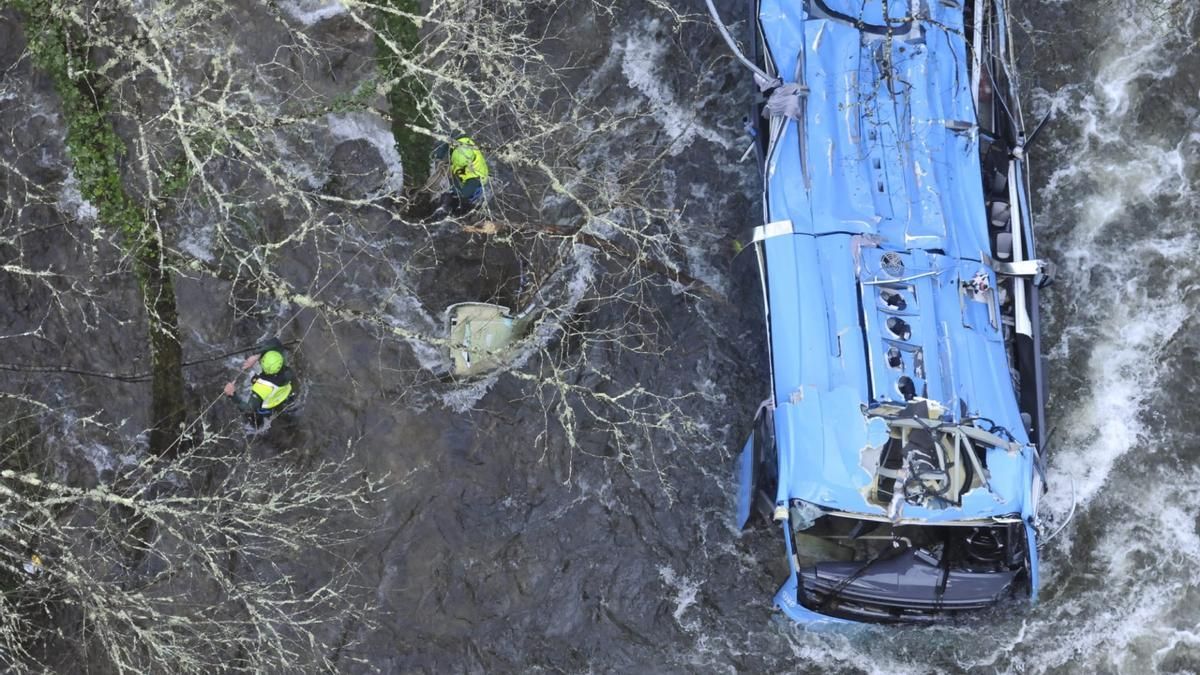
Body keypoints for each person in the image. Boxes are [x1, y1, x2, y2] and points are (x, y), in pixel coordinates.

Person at [223, 338, 296, 426]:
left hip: (268, 407)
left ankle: (258, 428)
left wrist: (233, 395)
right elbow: (276, 343)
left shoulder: (261, 388)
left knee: (255, 421)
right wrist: (257, 356)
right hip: (284, 396)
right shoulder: (287, 372)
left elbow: (248, 409)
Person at [431, 134, 490, 216]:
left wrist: (449, 184)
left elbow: (464, 193)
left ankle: (456, 210)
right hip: (463, 172)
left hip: (474, 189)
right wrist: (439, 156)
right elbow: (448, 140)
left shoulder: (474, 178)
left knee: (459, 198)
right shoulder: (463, 142)